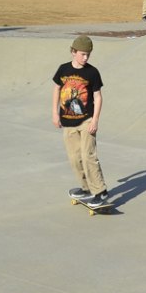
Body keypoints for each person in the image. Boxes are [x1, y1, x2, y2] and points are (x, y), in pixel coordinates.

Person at [52, 35, 109, 207]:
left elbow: (98, 97)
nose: (86, 58)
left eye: (88, 55)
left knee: (88, 155)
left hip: (87, 120)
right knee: (75, 158)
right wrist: (54, 113)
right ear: (73, 52)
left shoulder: (92, 72)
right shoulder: (63, 70)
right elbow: (56, 89)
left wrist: (95, 120)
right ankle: (86, 188)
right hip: (68, 122)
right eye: (83, 54)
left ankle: (100, 191)